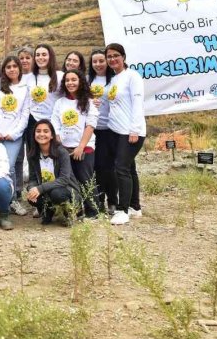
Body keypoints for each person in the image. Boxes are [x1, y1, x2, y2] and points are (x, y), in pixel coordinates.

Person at [103, 43, 146, 226]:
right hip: (115, 131)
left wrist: (134, 130)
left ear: (123, 57)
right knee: (129, 169)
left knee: (121, 168)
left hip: (130, 132)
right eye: (109, 56)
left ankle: (122, 210)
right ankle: (135, 207)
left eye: (115, 55)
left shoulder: (132, 76)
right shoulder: (113, 80)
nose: (112, 59)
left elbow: (137, 103)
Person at [0, 55, 31, 216]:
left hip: (14, 136)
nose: (12, 69)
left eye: (14, 66)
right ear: (4, 70)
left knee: (9, 167)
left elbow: (25, 113)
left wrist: (14, 133)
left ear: (19, 68)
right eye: (8, 67)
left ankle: (11, 200)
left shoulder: (25, 88)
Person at [51, 70, 99, 218]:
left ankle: (93, 212)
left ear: (81, 82)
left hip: (84, 148)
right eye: (67, 80)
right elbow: (55, 123)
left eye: (74, 80)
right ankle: (75, 211)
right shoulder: (60, 103)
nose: (70, 83)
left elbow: (90, 125)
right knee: (70, 182)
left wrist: (80, 147)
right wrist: (59, 143)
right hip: (64, 149)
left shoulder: (89, 102)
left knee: (85, 180)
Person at [25, 120, 81, 225]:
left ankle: (70, 213)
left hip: (68, 190)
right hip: (47, 190)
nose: (42, 134)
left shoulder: (61, 152)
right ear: (34, 135)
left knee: (57, 193)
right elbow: (32, 178)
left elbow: (64, 180)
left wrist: (40, 188)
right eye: (38, 131)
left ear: (52, 136)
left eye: (46, 131)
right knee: (31, 193)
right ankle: (48, 212)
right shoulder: (32, 154)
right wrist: (32, 188)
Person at [89, 48, 115, 214]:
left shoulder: (114, 80)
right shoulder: (87, 80)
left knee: (109, 167)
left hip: (111, 128)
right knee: (97, 167)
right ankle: (98, 200)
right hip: (92, 129)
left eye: (101, 61)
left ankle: (113, 201)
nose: (98, 64)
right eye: (95, 62)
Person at [24, 44, 61, 154]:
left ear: (50, 56)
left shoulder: (60, 76)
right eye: (38, 55)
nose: (41, 57)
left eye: (44, 54)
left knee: (54, 156)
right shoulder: (29, 78)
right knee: (33, 156)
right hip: (33, 122)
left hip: (54, 122)